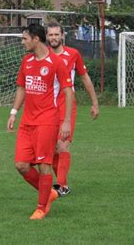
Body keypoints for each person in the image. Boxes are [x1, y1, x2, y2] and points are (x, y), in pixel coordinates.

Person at [7, 24, 73, 220]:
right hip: (27, 122)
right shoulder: (26, 61)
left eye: (25, 38)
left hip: (47, 121)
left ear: (36, 39)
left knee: (44, 165)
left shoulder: (56, 62)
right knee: (21, 165)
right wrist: (13, 112)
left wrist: (66, 121)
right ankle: (49, 193)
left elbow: (68, 91)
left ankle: (41, 207)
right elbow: (21, 88)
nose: (22, 42)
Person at [46, 20, 99, 196]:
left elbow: (84, 78)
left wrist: (94, 102)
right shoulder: (43, 55)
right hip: (46, 107)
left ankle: (60, 186)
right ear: (47, 37)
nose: (53, 38)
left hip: (66, 105)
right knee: (51, 149)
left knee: (63, 145)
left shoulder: (73, 54)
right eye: (50, 34)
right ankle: (64, 184)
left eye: (56, 34)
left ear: (62, 36)